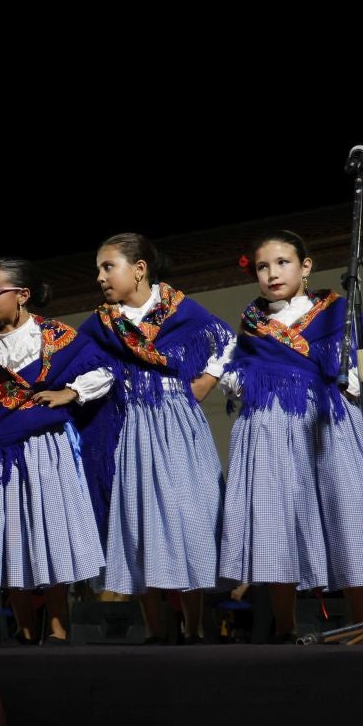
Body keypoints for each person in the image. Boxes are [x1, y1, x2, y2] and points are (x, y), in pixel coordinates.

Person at [217, 230, 363, 641]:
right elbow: (229, 370)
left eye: (282, 263)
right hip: (268, 427)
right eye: (263, 266)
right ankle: (286, 628)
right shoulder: (252, 325)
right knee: (275, 521)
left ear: (306, 266)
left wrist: (353, 380)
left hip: (328, 422)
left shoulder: (336, 312)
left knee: (347, 515)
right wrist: (245, 381)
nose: (272, 273)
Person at [78, 233, 233, 645]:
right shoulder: (102, 324)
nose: (100, 277)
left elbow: (227, 344)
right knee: (140, 517)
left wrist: (204, 383)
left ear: (139, 269)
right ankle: (155, 630)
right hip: (130, 425)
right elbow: (86, 368)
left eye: (108, 266)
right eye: (99, 269)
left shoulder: (181, 310)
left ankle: (196, 627)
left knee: (189, 516)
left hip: (179, 424)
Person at [0, 256, 109, 645]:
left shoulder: (55, 336)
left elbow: (102, 370)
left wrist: (70, 392)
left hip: (45, 449)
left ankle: (59, 630)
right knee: (10, 540)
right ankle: (24, 631)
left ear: (22, 295)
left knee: (50, 535)